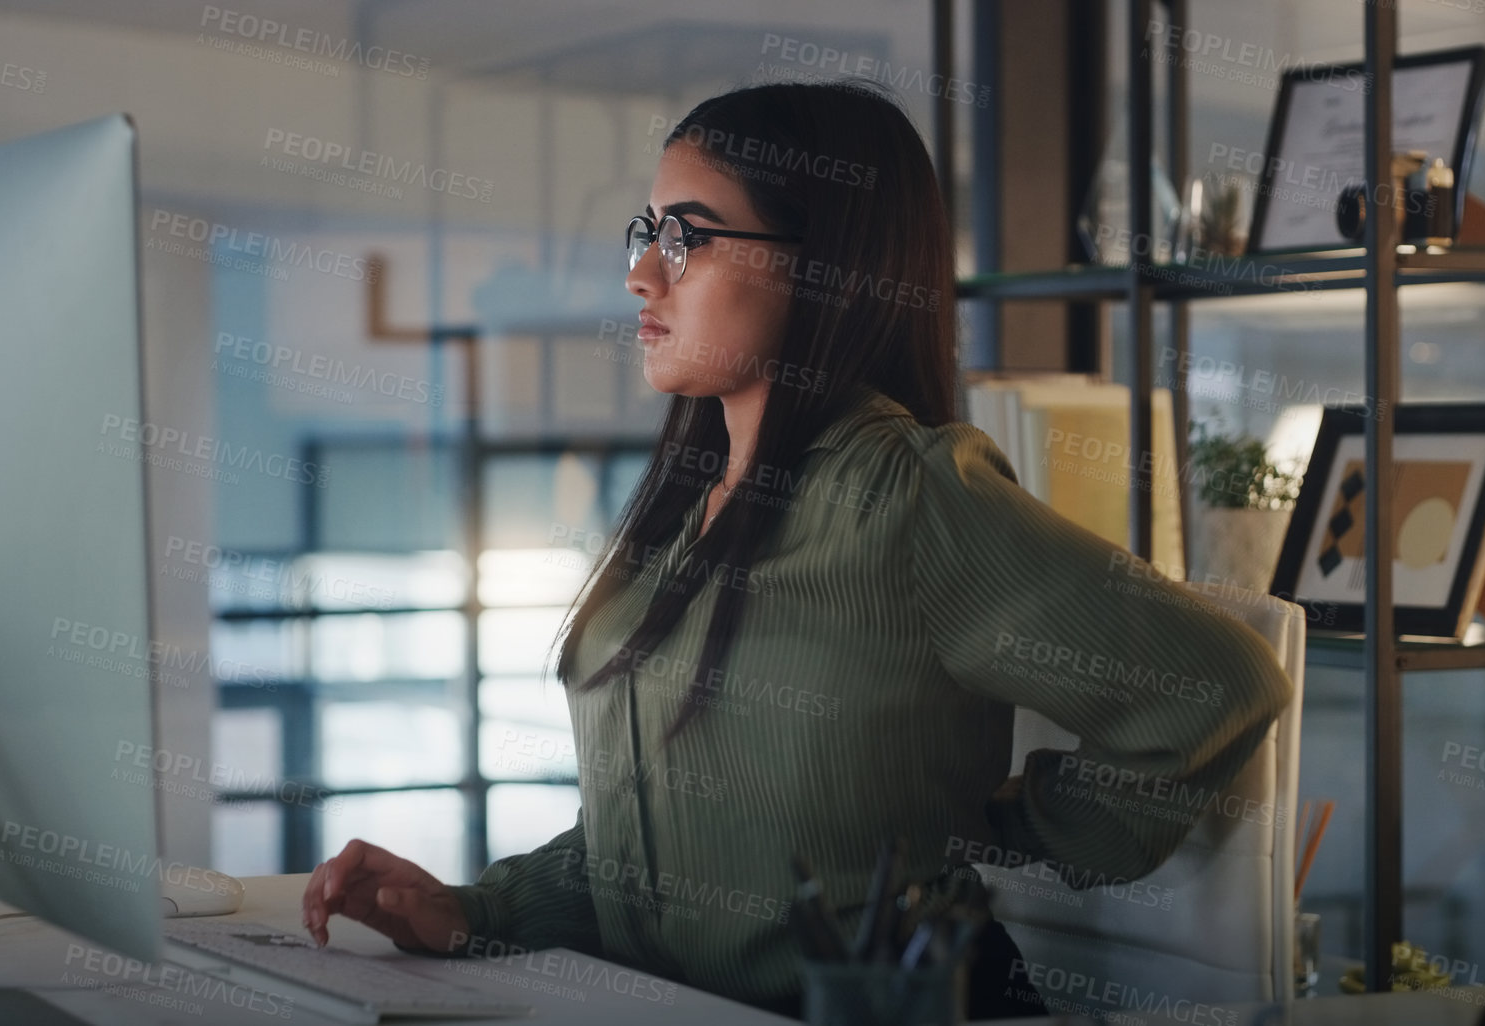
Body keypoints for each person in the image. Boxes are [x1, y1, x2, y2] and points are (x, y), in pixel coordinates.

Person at [303, 78, 1293, 1020]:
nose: (640, 271)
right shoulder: (680, 513)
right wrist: (477, 912)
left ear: (820, 263)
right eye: (647, 231)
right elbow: (654, 844)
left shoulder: (905, 495)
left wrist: (1001, 829)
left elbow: (1212, 685)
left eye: (686, 236)